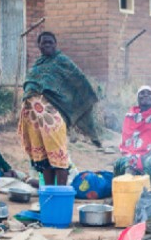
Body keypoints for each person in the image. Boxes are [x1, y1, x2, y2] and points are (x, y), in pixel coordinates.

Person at [20, 31, 101, 186]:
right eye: (44, 42)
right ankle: (50, 192)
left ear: (55, 44)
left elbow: (80, 81)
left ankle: (61, 193)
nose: (47, 45)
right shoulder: (38, 64)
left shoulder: (62, 61)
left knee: (58, 156)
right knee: (44, 159)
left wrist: (77, 100)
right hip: (34, 121)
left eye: (50, 42)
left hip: (52, 118)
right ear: (39, 45)